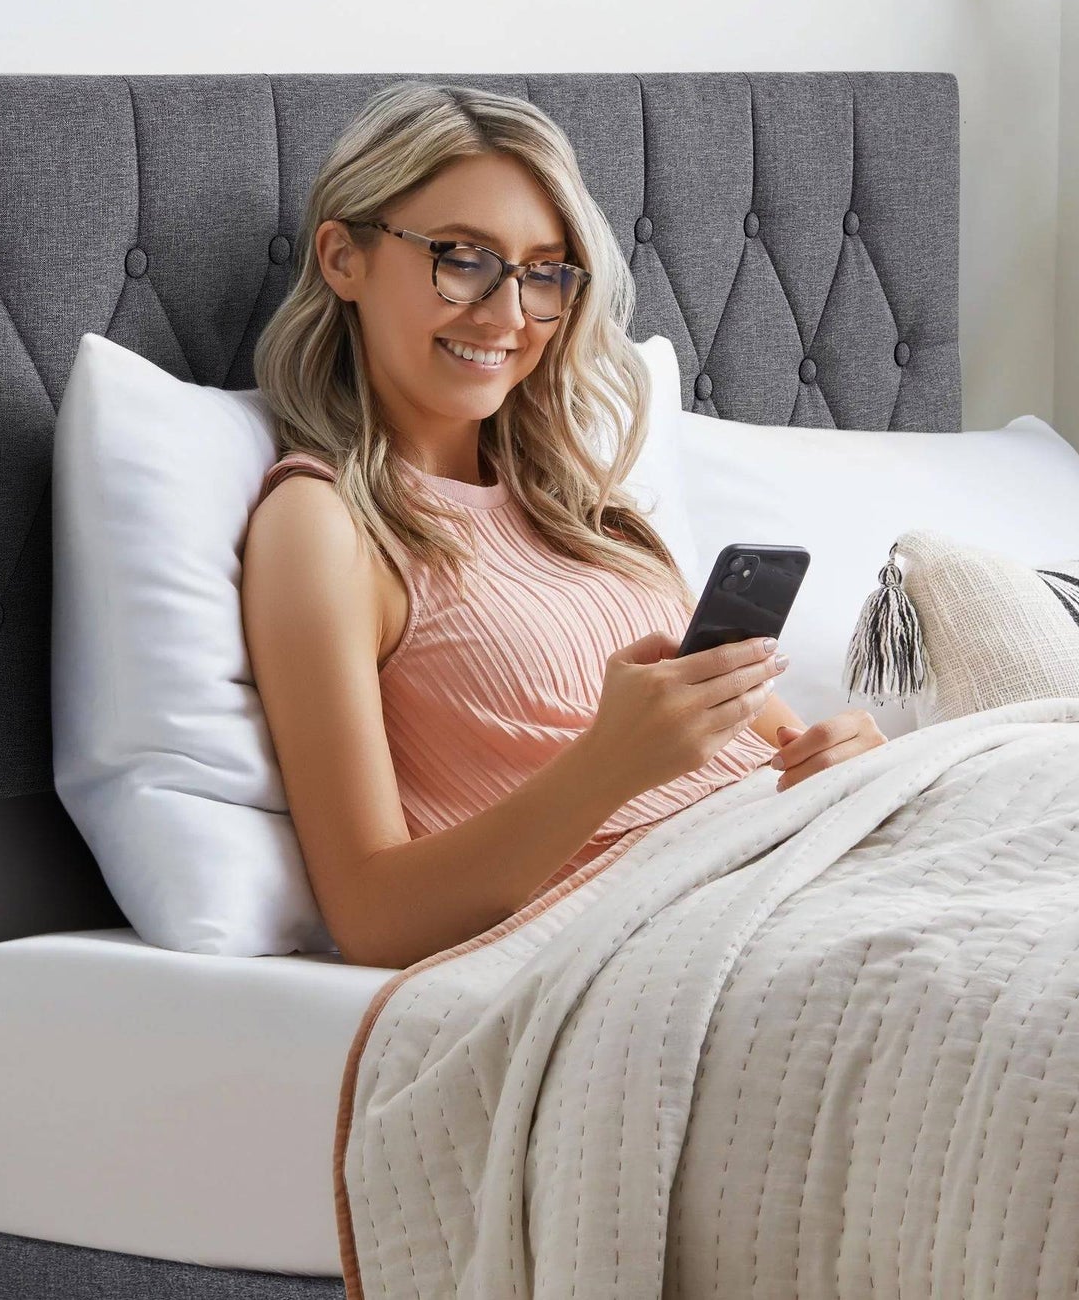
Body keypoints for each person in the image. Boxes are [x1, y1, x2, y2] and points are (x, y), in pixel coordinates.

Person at [242, 81, 886, 970]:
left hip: (804, 871)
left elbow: (764, 743)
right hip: (681, 929)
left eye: (544, 273)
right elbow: (371, 915)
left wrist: (843, 763)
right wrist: (606, 768)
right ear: (343, 258)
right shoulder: (327, 525)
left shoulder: (584, 509)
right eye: (462, 258)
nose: (508, 315)